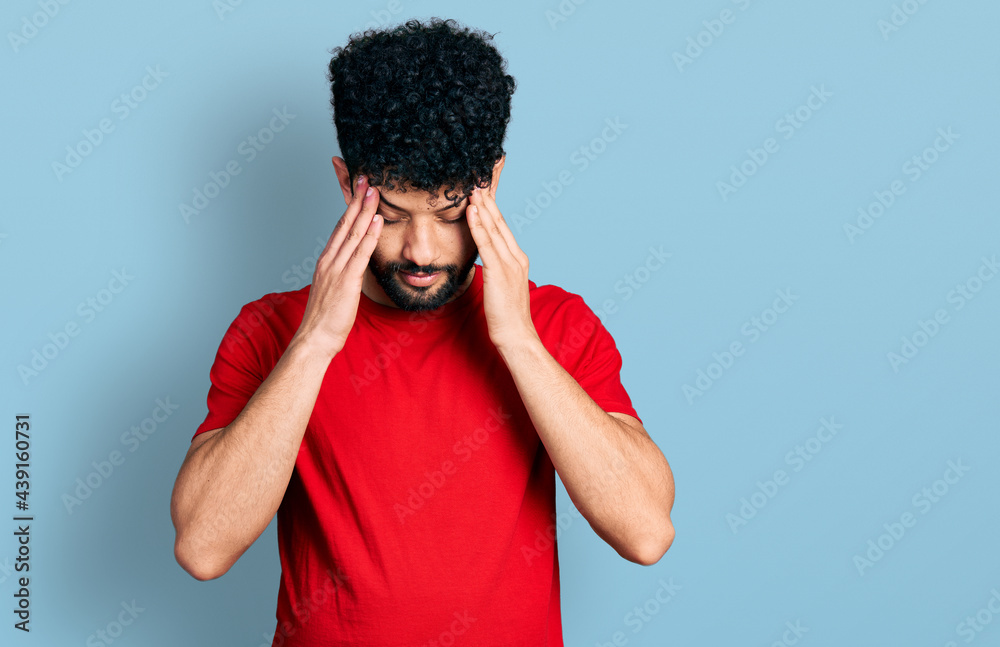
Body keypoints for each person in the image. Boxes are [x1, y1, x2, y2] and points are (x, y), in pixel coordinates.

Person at [170, 17, 674, 646]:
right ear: (345, 183)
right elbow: (202, 547)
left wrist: (518, 341)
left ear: (491, 180)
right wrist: (315, 342)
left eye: (450, 210)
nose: (422, 249)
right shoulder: (271, 331)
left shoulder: (555, 326)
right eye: (390, 214)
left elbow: (647, 532)